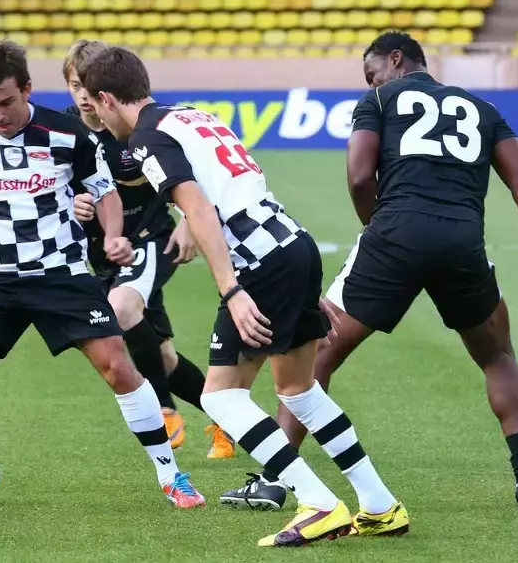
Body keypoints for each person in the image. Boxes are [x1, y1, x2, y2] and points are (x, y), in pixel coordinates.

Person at [78, 46, 408, 546]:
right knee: (299, 390)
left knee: (222, 396)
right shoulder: (193, 115)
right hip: (292, 243)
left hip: (259, 263)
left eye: (95, 106)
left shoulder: (148, 137)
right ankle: (381, 505)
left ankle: (318, 504)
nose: (97, 117)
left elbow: (201, 212)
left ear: (106, 98)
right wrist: (293, 279)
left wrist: (232, 289)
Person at [249, 30, 518, 509]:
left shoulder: (378, 98)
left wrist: (381, 231)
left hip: (393, 236)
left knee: (315, 353)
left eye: (372, 70)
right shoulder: (481, 109)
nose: (370, 79)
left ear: (396, 60)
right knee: (498, 356)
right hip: (462, 242)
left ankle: (274, 482)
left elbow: (358, 175)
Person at [0, 38, 205, 509]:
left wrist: (115, 234)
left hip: (60, 274)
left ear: (27, 89)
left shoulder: (67, 134)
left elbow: (105, 192)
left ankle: (171, 475)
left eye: (6, 102)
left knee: (118, 368)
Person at [62, 39, 235, 459]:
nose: (82, 95)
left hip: (151, 239)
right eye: (72, 85)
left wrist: (188, 223)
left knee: (121, 310)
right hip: (104, 253)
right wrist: (73, 202)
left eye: (87, 85)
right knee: (162, 355)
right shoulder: (64, 129)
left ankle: (164, 411)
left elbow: (193, 174)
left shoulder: (141, 126)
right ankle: (230, 420)